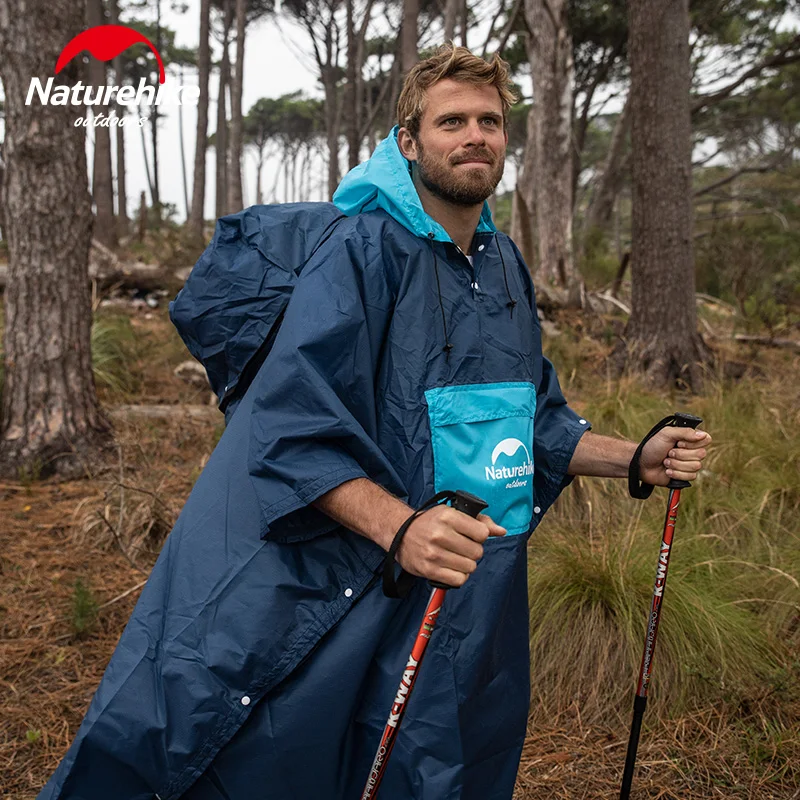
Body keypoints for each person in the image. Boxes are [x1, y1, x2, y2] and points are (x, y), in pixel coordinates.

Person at [39, 45, 711, 800]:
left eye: (489, 120)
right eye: (451, 120)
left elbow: (529, 420)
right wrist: (402, 529)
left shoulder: (501, 265)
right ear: (409, 140)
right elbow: (291, 426)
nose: (475, 135)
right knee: (275, 756)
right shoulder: (362, 250)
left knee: (438, 766)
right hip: (344, 577)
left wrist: (634, 459)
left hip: (461, 593)